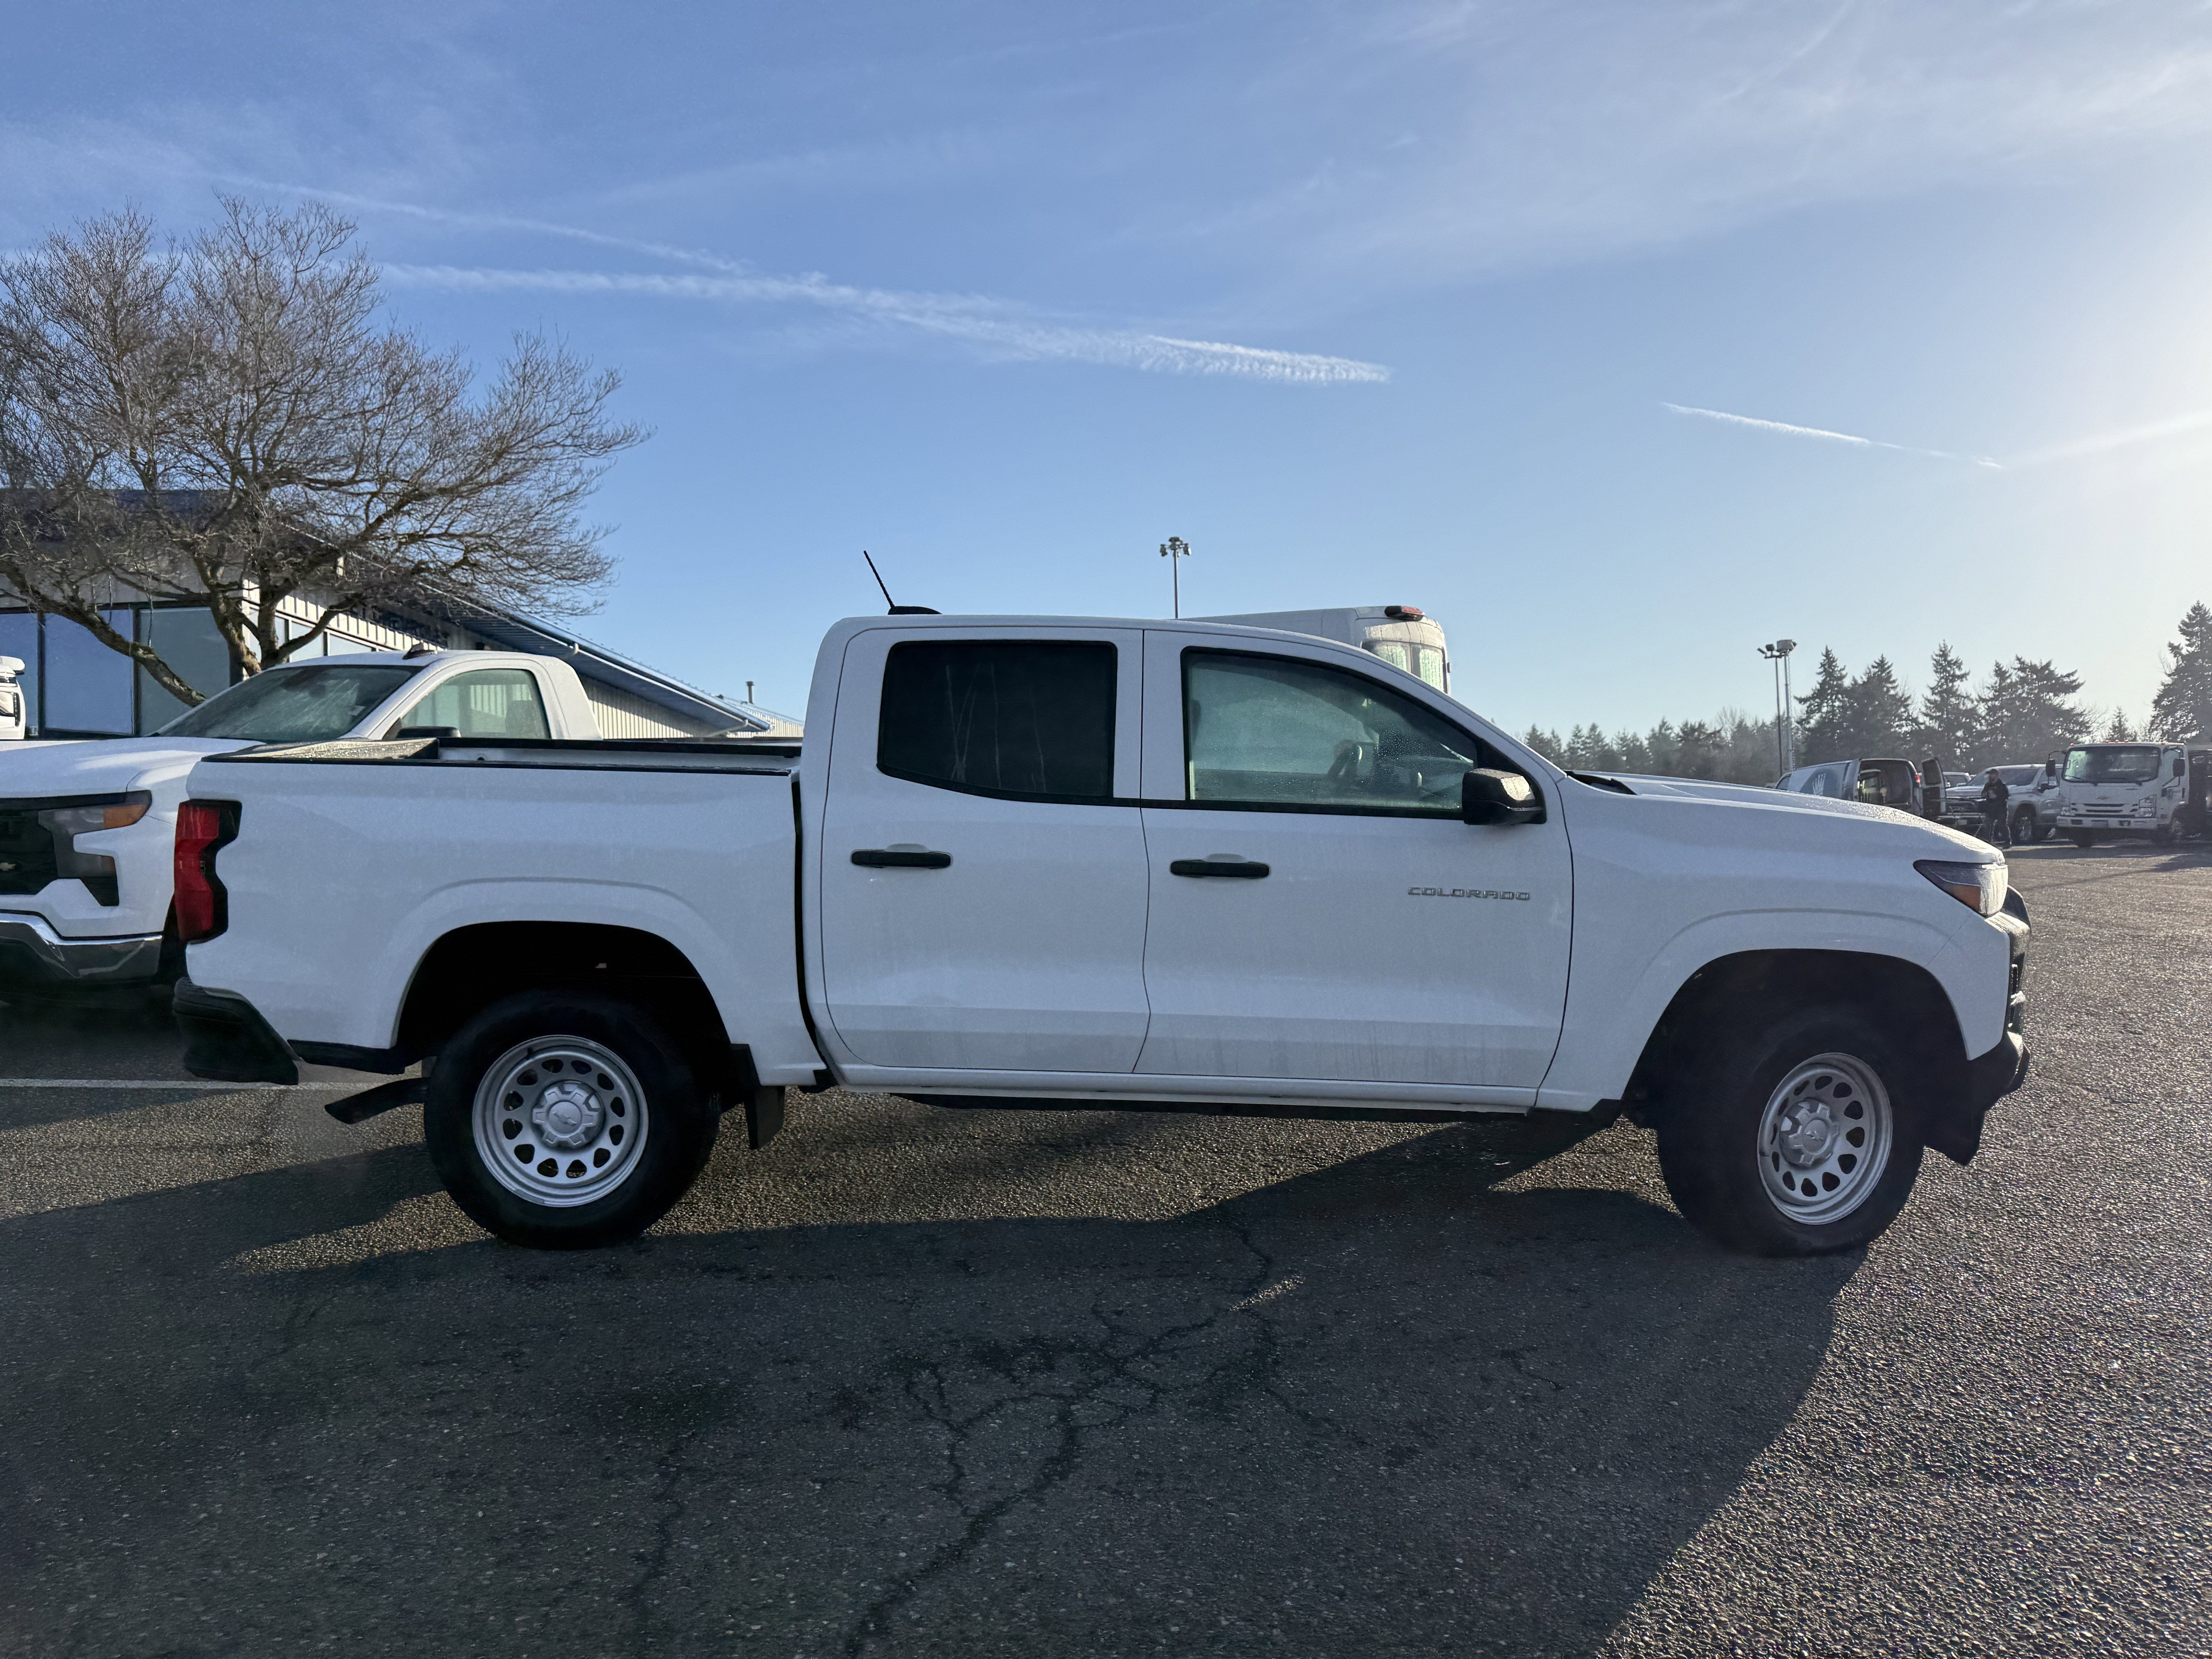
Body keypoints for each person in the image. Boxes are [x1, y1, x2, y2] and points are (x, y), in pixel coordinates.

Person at [1980, 768, 2011, 847]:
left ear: (1996, 775)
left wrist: (1997, 795)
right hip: (1990, 808)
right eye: (1990, 774)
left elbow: (2006, 796)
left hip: (2001, 808)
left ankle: (2007, 842)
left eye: (1992, 774)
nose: (1990, 776)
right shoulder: (1988, 785)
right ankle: (1988, 841)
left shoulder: (2001, 785)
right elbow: (1983, 794)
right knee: (1988, 824)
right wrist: (1986, 794)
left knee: (2002, 824)